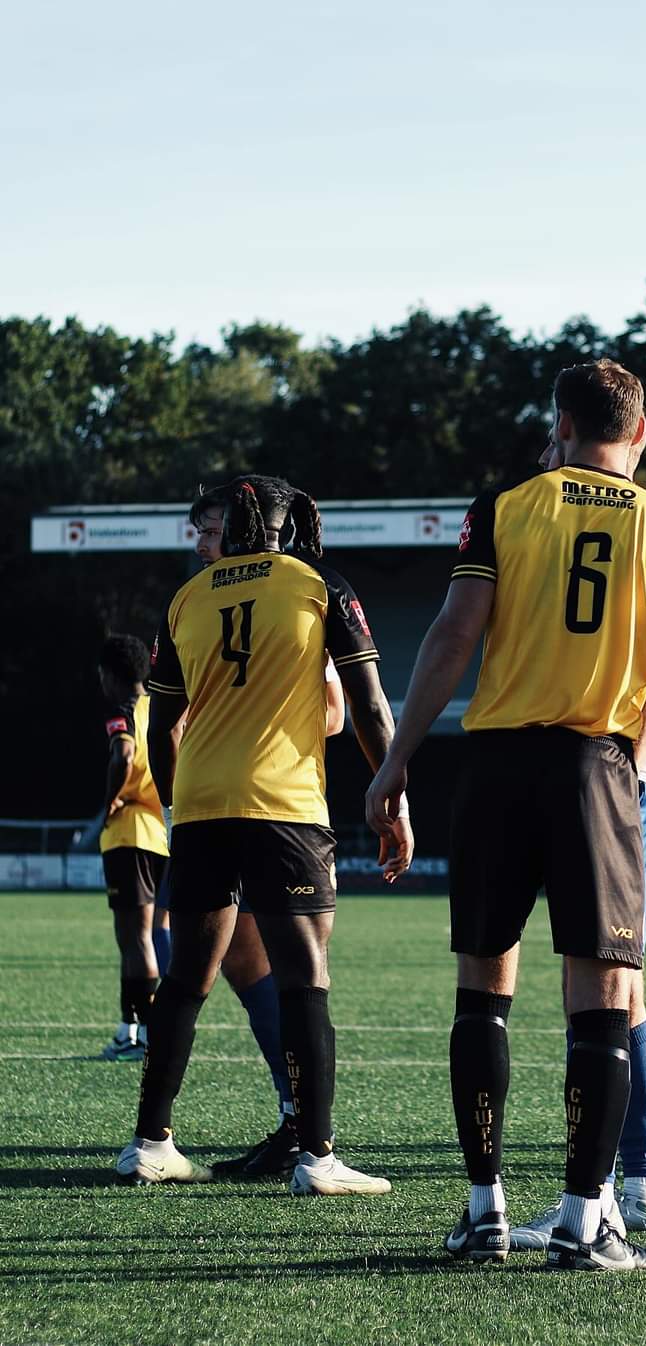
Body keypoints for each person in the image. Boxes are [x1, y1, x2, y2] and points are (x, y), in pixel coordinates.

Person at [366, 359, 646, 1272]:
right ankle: (583, 1215)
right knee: (601, 997)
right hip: (595, 770)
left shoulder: (505, 507)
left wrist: (397, 762)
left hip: (491, 766)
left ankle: (484, 1211)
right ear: (639, 435)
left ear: (560, 423)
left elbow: (452, 635)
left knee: (483, 992)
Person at [115, 474, 412, 1192]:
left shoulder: (190, 596)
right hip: (283, 804)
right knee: (306, 975)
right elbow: (368, 704)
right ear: (288, 524)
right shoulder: (317, 582)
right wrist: (394, 791)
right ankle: (318, 1156)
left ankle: (150, 1142)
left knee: (187, 975)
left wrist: (183, 806)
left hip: (203, 805)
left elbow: (162, 723)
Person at [508, 431, 646, 1253]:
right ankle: (633, 1182)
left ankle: (625, 1185)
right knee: (611, 979)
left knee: (615, 978)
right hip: (619, 768)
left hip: (629, 772)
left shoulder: (615, 526)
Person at [179, 485, 347, 1181]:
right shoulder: (196, 604)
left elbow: (337, 709)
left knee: (295, 965)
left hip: (284, 804)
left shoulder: (296, 598)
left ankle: (310, 1135)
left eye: (211, 528)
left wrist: (257, 725)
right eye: (196, 530)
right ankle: (293, 1116)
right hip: (214, 807)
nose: (201, 541)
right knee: (243, 962)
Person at [97, 635, 169, 1061]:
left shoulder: (122, 711)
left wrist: (110, 799)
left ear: (110, 675)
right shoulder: (158, 708)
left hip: (130, 836)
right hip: (160, 834)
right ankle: (132, 1031)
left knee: (135, 939)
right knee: (145, 936)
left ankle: (142, 1037)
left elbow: (123, 755)